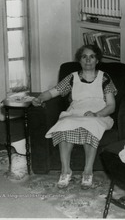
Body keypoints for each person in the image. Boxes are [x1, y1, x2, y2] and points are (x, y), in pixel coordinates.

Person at [32, 44, 117, 189]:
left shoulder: (104, 78)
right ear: (80, 60)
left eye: (92, 57)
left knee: (90, 126)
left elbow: (111, 105)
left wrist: (97, 114)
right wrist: (40, 98)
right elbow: (53, 92)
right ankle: (65, 171)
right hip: (75, 113)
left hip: (98, 115)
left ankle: (88, 172)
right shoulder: (72, 78)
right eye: (84, 57)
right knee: (63, 126)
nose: (88, 60)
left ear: (97, 60)